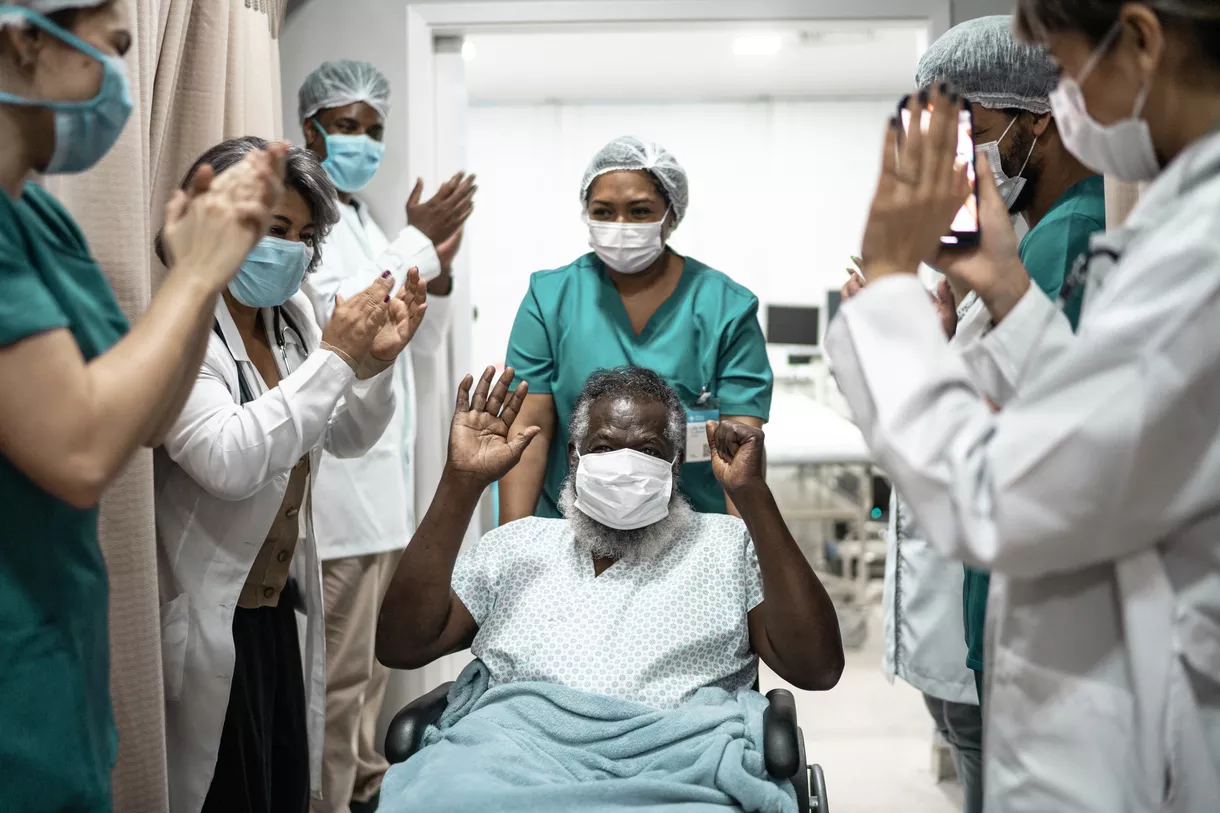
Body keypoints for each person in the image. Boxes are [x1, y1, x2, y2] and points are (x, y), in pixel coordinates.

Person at [825, 1, 1220, 810]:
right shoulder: (1176, 225)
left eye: (1068, 70)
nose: (1064, 102)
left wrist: (892, 286)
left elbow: (1000, 493)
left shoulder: (1201, 251)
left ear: (1140, 41)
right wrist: (1006, 287)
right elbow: (1105, 417)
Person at [0, 3, 282, 811]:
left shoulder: (38, 215)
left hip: (59, 645)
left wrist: (192, 286)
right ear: (25, 38)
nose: (120, 82)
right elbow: (81, 452)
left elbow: (149, 416)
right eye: (112, 49)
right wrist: (196, 277)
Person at [375, 365, 842, 810]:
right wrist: (462, 483)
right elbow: (402, 644)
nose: (625, 467)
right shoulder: (515, 547)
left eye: (649, 452)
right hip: (507, 757)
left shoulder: (726, 547)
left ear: (675, 466)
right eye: (603, 448)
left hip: (679, 767)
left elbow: (817, 668)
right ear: (574, 457)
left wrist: (753, 497)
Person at [860, 18, 1108, 813]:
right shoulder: (1033, 240)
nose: (951, 164)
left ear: (1036, 116)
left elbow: (1027, 452)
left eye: (967, 133)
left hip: (1036, 632)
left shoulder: (1067, 236)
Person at [153, 137, 427, 813]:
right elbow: (229, 459)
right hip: (209, 610)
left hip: (276, 610)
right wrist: (338, 357)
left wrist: (373, 365)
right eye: (273, 229)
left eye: (305, 235)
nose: (292, 250)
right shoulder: (182, 327)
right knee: (225, 793)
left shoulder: (293, 318)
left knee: (279, 787)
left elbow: (347, 434)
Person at [295, 58, 476, 813]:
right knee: (335, 684)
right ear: (309, 129)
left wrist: (430, 274)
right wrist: (417, 242)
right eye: (346, 127)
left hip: (380, 498)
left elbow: (401, 340)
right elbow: (350, 316)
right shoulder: (310, 219)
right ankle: (329, 802)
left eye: (374, 129)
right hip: (335, 502)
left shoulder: (365, 220)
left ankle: (365, 790)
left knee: (366, 680)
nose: (363, 141)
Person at [498, 137, 773, 524]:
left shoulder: (726, 307)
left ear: (671, 215)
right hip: (572, 529)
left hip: (693, 532)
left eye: (640, 211)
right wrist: (513, 543)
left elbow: (741, 449)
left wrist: (745, 556)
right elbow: (530, 432)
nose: (620, 226)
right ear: (586, 213)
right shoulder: (550, 298)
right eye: (604, 211)